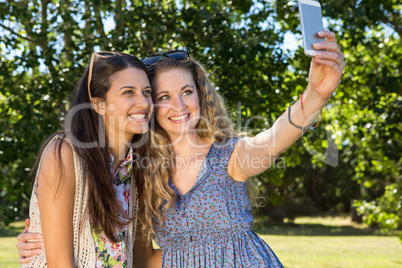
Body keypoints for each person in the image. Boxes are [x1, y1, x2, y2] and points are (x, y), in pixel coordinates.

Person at [17, 30, 345, 267]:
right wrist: (43, 240)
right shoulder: (142, 173)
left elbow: (272, 140)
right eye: (162, 96)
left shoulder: (229, 155)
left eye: (186, 91)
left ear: (200, 96)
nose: (179, 105)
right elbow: (144, 260)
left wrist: (315, 96)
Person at [17, 51, 160, 267]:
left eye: (147, 92)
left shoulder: (136, 167)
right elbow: (59, 264)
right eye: (128, 92)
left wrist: (216, 245)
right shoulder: (65, 154)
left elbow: (142, 261)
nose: (143, 102)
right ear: (98, 104)